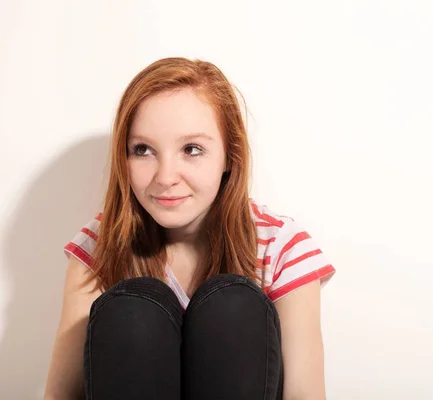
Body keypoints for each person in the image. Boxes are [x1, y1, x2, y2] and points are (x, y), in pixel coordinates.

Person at [44, 57, 336, 400]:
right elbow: (61, 395)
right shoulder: (101, 245)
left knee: (232, 306)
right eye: (143, 150)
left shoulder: (280, 246)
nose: (166, 177)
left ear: (230, 156)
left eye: (192, 149)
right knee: (132, 312)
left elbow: (304, 394)